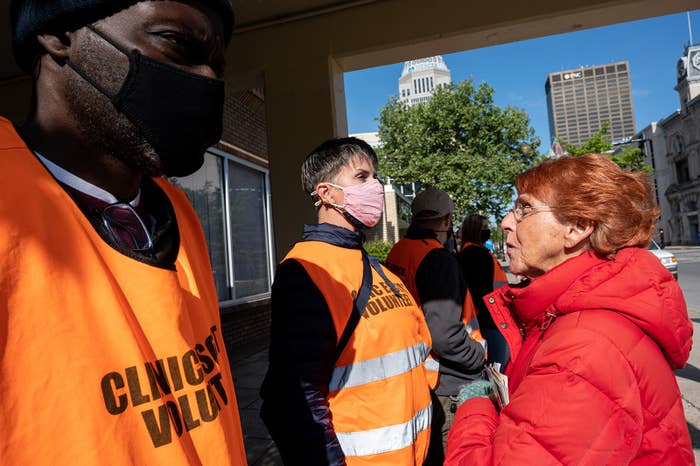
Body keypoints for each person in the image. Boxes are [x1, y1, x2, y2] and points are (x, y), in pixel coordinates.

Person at [1, 1, 247, 464]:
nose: (208, 79)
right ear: (58, 35)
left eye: (216, 63)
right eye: (175, 42)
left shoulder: (176, 210)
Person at [445, 154, 694, 465]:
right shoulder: (571, 315)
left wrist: (476, 405)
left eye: (525, 209)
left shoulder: (583, 348)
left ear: (577, 228)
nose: (507, 222)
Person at [260, 137, 435, 465]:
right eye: (362, 177)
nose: (376, 186)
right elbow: (297, 399)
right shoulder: (306, 270)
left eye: (375, 177)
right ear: (326, 193)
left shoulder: (377, 269)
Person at [385, 188, 486, 466]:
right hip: (448, 380)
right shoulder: (438, 258)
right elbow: (444, 335)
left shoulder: (399, 250)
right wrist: (478, 355)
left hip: (417, 373)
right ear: (447, 221)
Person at [456, 214, 509, 367]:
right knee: (497, 369)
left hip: (486, 321)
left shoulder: (469, 253)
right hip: (490, 322)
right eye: (484, 228)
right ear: (475, 231)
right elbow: (481, 293)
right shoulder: (477, 255)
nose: (488, 231)